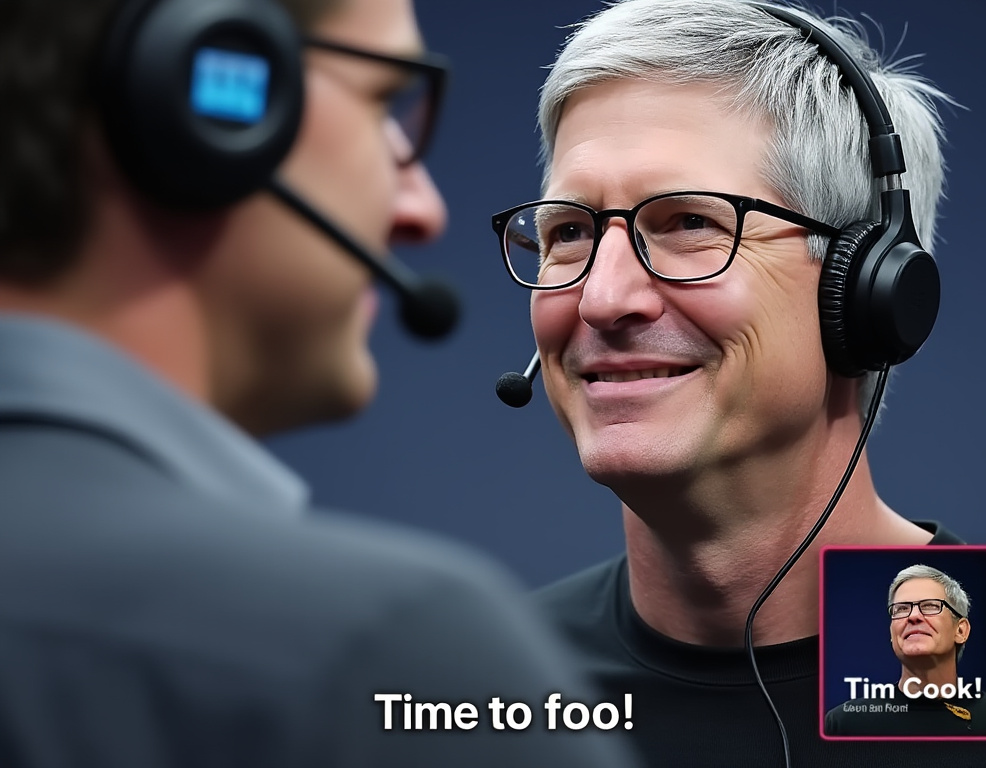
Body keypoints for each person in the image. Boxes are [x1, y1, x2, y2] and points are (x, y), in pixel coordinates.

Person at [0, 1, 639, 766]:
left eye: (688, 223)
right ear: (192, 96)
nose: (423, 210)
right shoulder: (385, 658)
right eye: (381, 103)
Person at [489, 0, 986, 765]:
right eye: (569, 231)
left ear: (866, 291)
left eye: (686, 223)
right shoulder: (481, 686)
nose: (602, 298)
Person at [825, 564, 986, 736]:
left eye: (930, 605)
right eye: (901, 609)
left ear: (960, 631)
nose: (913, 616)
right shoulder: (845, 724)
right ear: (892, 634)